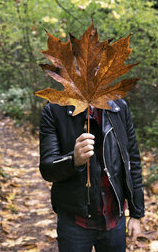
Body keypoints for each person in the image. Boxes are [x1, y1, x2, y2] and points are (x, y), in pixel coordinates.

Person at [39, 99, 145, 252]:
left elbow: (132, 162)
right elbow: (47, 169)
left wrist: (136, 213)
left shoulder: (119, 107)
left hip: (115, 219)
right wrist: (73, 160)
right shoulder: (54, 110)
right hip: (75, 222)